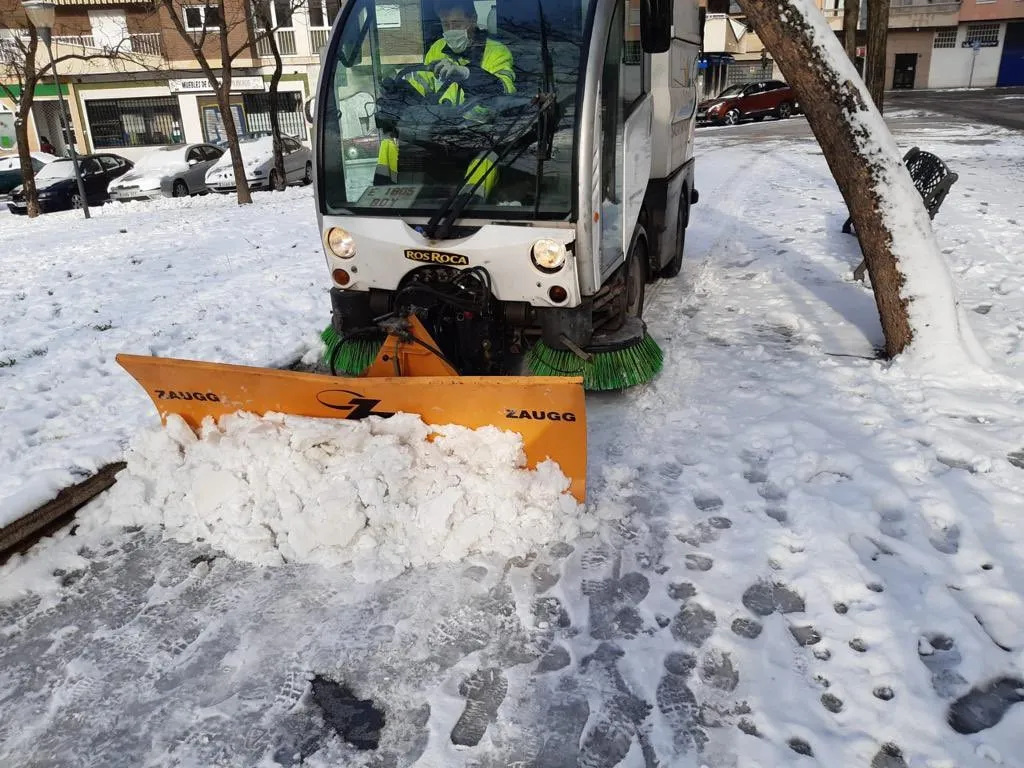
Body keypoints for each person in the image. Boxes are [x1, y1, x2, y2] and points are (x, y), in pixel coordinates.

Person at [373, 0, 515, 200]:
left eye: (456, 24)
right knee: (389, 145)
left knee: (488, 160)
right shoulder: (437, 49)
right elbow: (422, 87)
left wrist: (467, 74)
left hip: (478, 136)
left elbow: (505, 90)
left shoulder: (497, 52)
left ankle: (469, 209)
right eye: (445, 25)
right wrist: (400, 93)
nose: (450, 30)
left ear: (473, 20)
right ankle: (382, 203)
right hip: (437, 134)